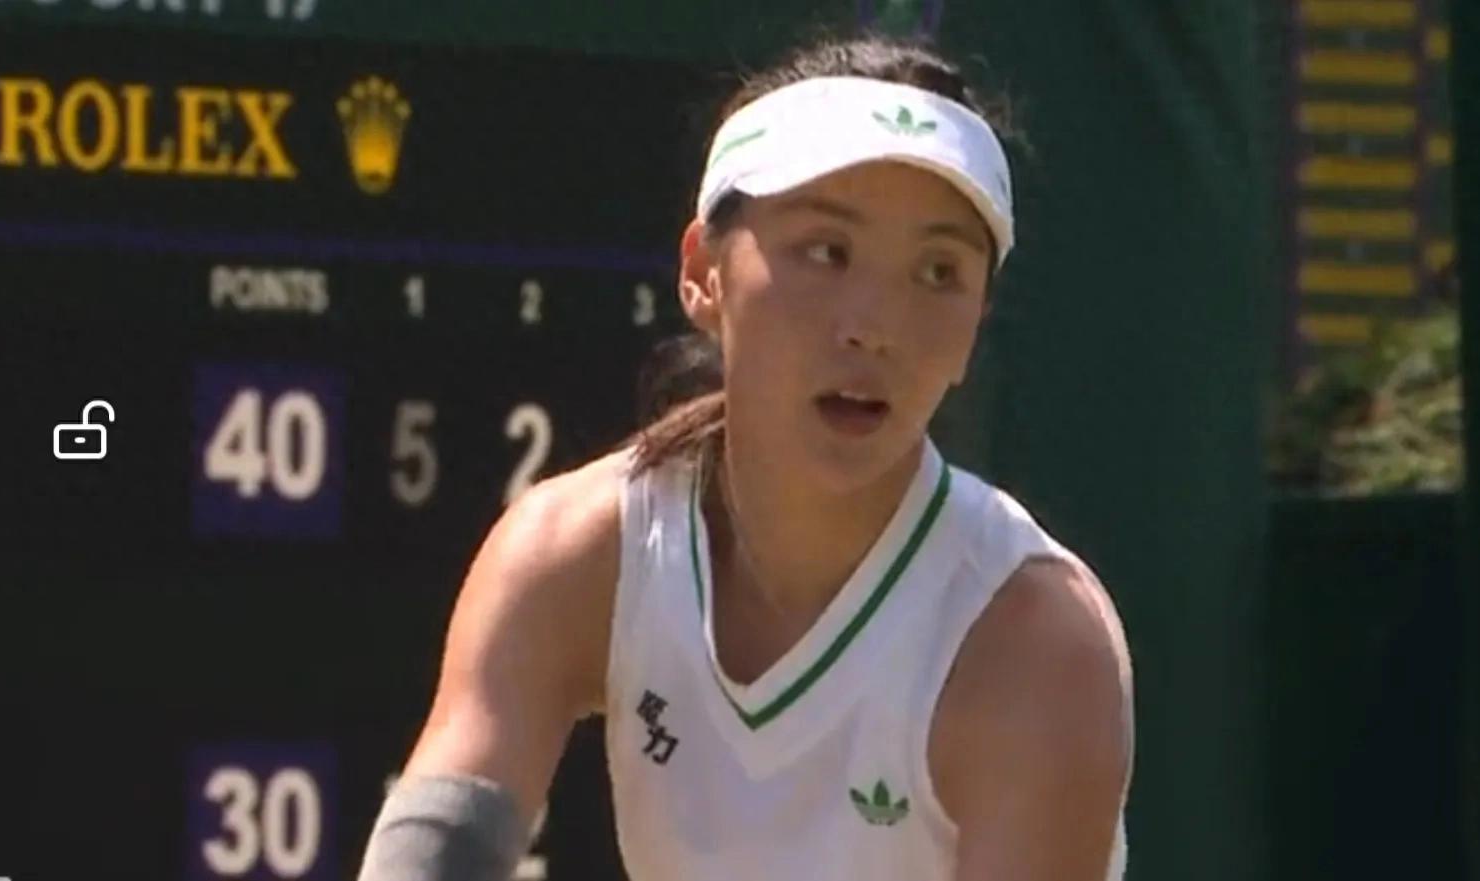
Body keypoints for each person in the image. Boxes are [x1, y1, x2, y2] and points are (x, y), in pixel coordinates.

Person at [358, 32, 1134, 881]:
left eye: (938, 272)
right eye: (827, 252)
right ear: (703, 272)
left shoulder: (1037, 644)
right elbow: (430, 855)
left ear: (976, 325)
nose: (874, 325)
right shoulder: (566, 553)